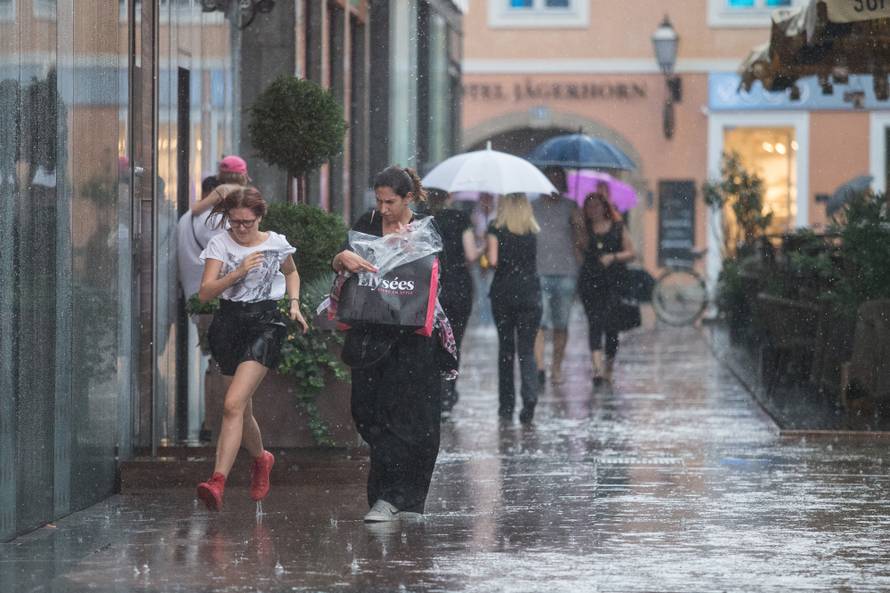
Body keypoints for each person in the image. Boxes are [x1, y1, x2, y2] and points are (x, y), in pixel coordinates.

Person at [331, 166, 446, 523]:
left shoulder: (427, 230)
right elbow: (340, 259)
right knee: (367, 413)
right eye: (378, 200)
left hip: (411, 338)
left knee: (410, 418)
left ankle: (398, 497)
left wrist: (411, 253)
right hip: (369, 333)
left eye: (390, 202)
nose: (383, 209)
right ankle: (393, 495)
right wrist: (342, 259)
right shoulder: (366, 223)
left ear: (408, 198)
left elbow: (442, 280)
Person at [194, 187, 308, 511]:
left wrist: (294, 304)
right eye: (234, 222)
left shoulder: (275, 243)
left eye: (246, 222)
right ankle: (261, 458)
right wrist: (238, 272)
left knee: (231, 404)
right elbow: (204, 293)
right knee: (240, 409)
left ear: (260, 217)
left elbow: (291, 271)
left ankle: (217, 481)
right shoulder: (220, 243)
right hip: (229, 325)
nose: (240, 228)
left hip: (265, 324)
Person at [486, 193, 542, 424]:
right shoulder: (532, 229)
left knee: (506, 350)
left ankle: (506, 406)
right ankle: (530, 398)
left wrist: (485, 249)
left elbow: (493, 261)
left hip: (504, 294)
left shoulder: (495, 227)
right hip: (530, 293)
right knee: (527, 350)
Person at [427, 189, 480, 414]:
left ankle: (434, 391)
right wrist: (484, 245)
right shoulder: (461, 218)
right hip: (459, 285)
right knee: (454, 339)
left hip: (434, 285)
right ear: (449, 196)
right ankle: (448, 391)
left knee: (432, 339)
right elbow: (470, 255)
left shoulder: (425, 220)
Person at [577, 191, 636, 386]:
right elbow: (580, 250)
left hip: (614, 281)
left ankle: (609, 366)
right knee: (594, 323)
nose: (593, 210)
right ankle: (597, 369)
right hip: (590, 281)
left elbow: (631, 252)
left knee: (611, 327)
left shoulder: (618, 227)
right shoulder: (585, 228)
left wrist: (613, 257)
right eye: (589, 206)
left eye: (596, 205)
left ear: (604, 207)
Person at [532, 167, 584, 385]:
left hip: (566, 272)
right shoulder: (532, 207)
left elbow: (582, 241)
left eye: (557, 180)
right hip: (539, 271)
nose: (554, 184)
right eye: (550, 179)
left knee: (561, 323)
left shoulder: (571, 207)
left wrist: (578, 222)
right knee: (540, 323)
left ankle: (557, 367)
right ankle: (540, 367)